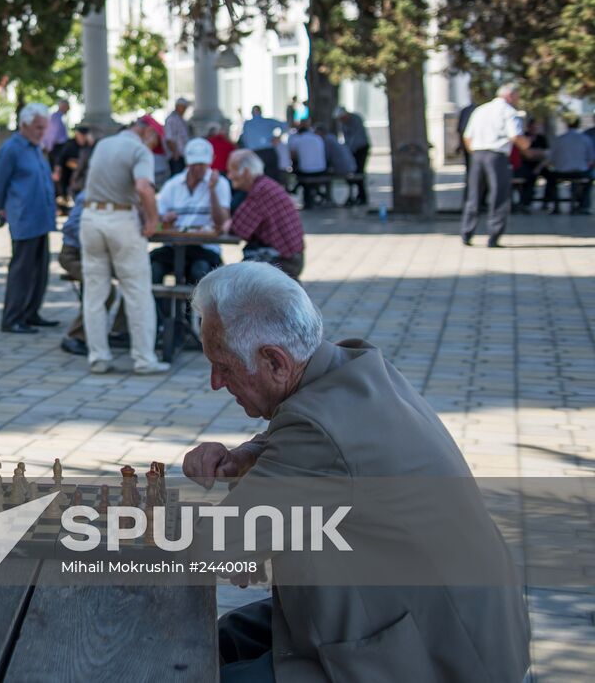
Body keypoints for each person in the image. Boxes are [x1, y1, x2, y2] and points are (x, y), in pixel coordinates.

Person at [184, 263, 530, 683]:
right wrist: (248, 455)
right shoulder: (351, 367)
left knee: (192, 668)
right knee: (218, 640)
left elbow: (215, 547)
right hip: (423, 613)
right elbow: (319, 449)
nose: (216, 382)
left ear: (274, 360)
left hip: (435, 653)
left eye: (224, 366)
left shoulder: (319, 432)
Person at [78, 121, 170, 375]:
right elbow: (143, 187)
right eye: (155, 140)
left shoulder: (103, 144)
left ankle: (98, 357)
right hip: (121, 221)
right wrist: (153, 220)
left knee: (95, 293)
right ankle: (144, 359)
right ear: (147, 133)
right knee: (137, 291)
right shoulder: (140, 150)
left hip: (90, 217)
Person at [0, 103, 58, 333]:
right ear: (25, 125)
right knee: (22, 270)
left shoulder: (35, 148)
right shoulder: (11, 149)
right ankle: (12, 318)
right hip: (24, 217)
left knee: (40, 271)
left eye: (44, 128)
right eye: (39, 128)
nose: (42, 132)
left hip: (42, 218)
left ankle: (31, 313)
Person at [56, 190, 130, 356]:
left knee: (133, 279)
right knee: (103, 288)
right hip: (74, 254)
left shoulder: (120, 194)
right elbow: (70, 228)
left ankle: (120, 331)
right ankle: (75, 336)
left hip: (101, 256)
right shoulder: (88, 195)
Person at [151, 138, 230, 287]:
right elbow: (158, 220)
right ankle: (162, 310)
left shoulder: (220, 184)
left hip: (205, 248)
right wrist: (164, 219)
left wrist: (212, 190)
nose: (199, 169)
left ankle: (191, 311)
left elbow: (221, 222)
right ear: (188, 163)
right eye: (195, 164)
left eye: (203, 164)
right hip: (174, 246)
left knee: (199, 270)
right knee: (154, 268)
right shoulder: (172, 185)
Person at [461, 82, 530, 247]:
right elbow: (515, 135)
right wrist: (527, 146)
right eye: (517, 96)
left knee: (474, 195)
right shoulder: (508, 112)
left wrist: (475, 152)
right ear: (510, 95)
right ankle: (494, 236)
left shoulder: (480, 110)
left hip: (477, 154)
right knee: (499, 195)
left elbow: (467, 136)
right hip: (496, 155)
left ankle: (466, 233)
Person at [225, 149, 305, 279]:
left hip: (284, 260)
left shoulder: (259, 191)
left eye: (231, 170)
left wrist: (226, 224)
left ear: (245, 172)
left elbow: (237, 229)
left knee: (235, 282)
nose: (229, 175)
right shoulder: (264, 185)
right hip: (290, 256)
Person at [543, 113, 595, 213]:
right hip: (580, 172)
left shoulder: (559, 139)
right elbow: (591, 158)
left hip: (561, 171)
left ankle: (554, 205)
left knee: (550, 178)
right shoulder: (585, 139)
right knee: (589, 180)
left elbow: (551, 159)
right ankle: (584, 205)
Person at [239, 106, 287, 184]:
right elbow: (285, 125)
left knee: (258, 180)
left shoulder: (248, 124)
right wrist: (278, 137)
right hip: (267, 153)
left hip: (256, 154)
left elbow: (244, 141)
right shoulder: (265, 121)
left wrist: (278, 138)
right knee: (272, 179)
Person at [284, 122, 327, 209]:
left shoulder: (298, 140)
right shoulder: (318, 138)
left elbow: (292, 155)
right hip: (321, 169)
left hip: (307, 171)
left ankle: (303, 197)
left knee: (300, 173)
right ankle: (316, 194)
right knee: (304, 174)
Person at [334, 108, 370, 205]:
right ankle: (355, 195)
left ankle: (362, 196)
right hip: (352, 149)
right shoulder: (343, 123)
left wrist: (349, 149)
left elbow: (357, 137)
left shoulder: (356, 119)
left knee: (359, 171)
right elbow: (346, 136)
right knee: (352, 171)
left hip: (361, 147)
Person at [511, 119, 548, 211]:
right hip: (523, 166)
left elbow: (547, 153)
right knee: (530, 177)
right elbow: (527, 154)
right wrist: (537, 152)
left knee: (550, 175)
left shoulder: (541, 138)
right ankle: (525, 202)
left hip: (538, 165)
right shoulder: (522, 137)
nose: (535, 128)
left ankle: (547, 201)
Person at [52, 125, 93, 204]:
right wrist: (57, 171)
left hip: (81, 174)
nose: (82, 138)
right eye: (81, 136)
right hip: (67, 172)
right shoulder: (70, 144)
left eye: (84, 136)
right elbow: (60, 158)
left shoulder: (88, 146)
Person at [164, 97, 191, 175]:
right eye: (184, 107)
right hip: (176, 155)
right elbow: (169, 138)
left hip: (182, 154)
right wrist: (175, 152)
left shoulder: (181, 119)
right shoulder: (171, 119)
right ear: (178, 106)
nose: (185, 109)